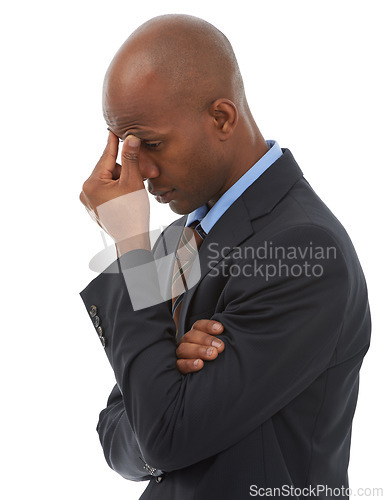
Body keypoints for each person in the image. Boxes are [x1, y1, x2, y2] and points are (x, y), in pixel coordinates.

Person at [79, 14, 371, 500]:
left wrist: (130, 247)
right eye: (127, 149)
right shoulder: (177, 239)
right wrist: (163, 376)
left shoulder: (307, 251)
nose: (141, 173)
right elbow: (116, 437)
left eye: (150, 144)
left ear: (222, 118)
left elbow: (162, 436)